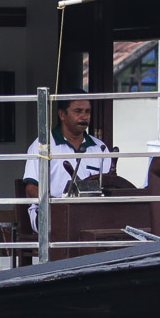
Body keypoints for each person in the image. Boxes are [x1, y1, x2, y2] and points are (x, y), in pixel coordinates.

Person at [22, 97, 114, 232]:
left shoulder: (100, 147)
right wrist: (57, 205)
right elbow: (31, 189)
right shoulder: (42, 146)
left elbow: (108, 187)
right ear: (62, 115)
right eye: (78, 111)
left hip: (91, 212)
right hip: (50, 212)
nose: (84, 116)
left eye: (87, 112)